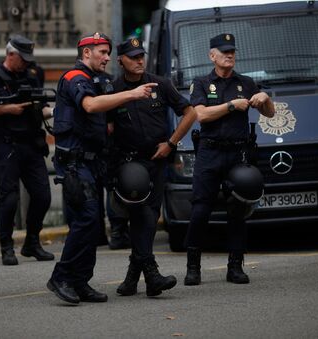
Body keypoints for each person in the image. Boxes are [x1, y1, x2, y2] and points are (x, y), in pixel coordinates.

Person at [47, 32, 158, 304]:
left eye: (109, 53)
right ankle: (61, 277)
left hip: (95, 162)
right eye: (102, 52)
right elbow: (90, 105)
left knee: (94, 225)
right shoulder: (75, 78)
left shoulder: (101, 81)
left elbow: (108, 119)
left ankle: (81, 281)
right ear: (86, 53)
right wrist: (130, 94)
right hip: (74, 163)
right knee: (85, 219)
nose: (107, 57)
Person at [183, 34, 275, 286]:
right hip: (210, 153)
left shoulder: (245, 83)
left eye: (232, 51)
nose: (230, 55)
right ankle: (193, 267)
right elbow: (201, 115)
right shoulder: (201, 83)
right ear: (212, 56)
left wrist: (265, 99)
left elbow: (269, 113)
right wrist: (232, 106)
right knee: (201, 209)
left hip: (238, 154)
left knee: (237, 211)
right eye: (224, 52)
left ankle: (235, 266)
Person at [110, 37, 197, 297]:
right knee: (143, 216)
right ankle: (152, 274)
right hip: (128, 164)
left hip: (157, 160)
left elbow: (190, 112)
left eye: (141, 55)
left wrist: (171, 143)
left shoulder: (160, 83)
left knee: (148, 217)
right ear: (120, 61)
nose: (139, 60)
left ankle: (131, 280)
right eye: (133, 56)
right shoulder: (113, 89)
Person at [0, 35, 55, 266]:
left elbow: (39, 108)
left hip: (31, 143)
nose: (26, 63)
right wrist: (7, 109)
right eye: (23, 58)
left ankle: (32, 242)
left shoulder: (32, 75)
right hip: (6, 144)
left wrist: (55, 113)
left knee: (43, 196)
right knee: (8, 199)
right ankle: (6, 247)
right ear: (10, 54)